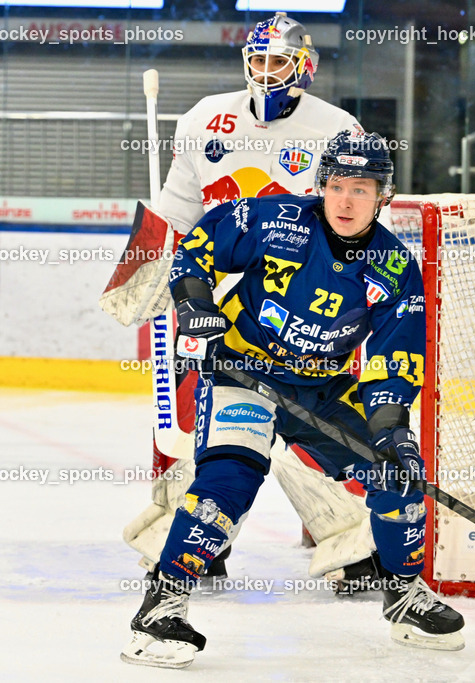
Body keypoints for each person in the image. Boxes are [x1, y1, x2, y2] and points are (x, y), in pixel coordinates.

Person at [120, 130, 465, 669]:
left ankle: (404, 594)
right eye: (336, 185)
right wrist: (194, 304)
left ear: (383, 195)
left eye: (362, 187)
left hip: (321, 387)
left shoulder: (395, 267)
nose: (347, 200)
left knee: (395, 472)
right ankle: (161, 605)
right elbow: (197, 250)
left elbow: (395, 361)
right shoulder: (275, 220)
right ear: (322, 186)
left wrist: (393, 433)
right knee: (228, 482)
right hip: (243, 373)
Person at [123, 11, 377, 592]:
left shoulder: (337, 129)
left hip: (302, 305)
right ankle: (192, 543)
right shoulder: (203, 119)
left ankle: (351, 541)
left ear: (304, 65)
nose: (265, 74)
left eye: (277, 62)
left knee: (318, 424)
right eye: (257, 61)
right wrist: (152, 275)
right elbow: (176, 214)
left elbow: (354, 218)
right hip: (213, 306)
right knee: (197, 424)